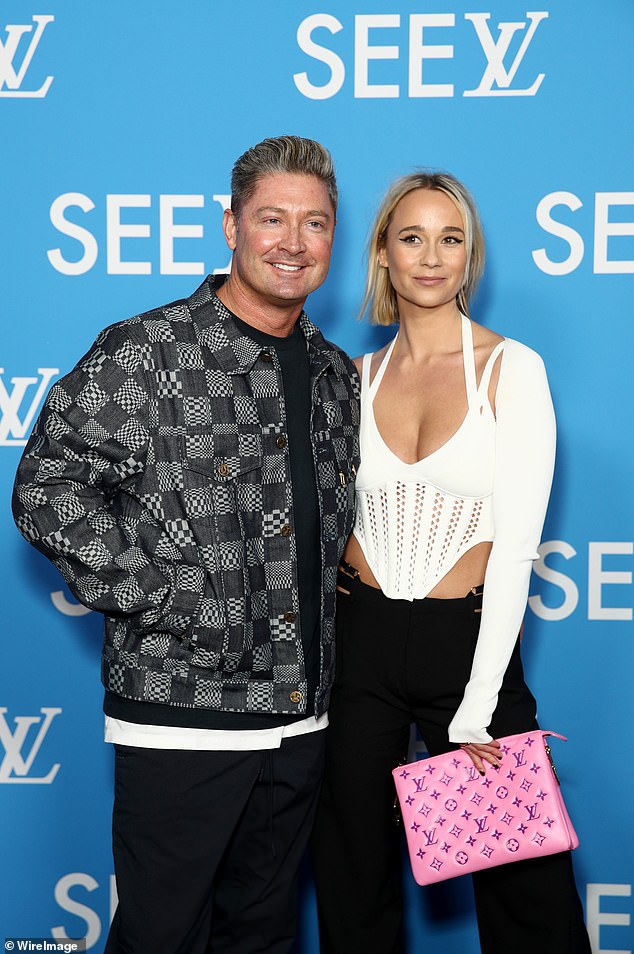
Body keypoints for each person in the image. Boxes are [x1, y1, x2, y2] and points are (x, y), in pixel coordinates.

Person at [12, 136, 360, 954]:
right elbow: (46, 491)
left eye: (314, 224)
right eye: (272, 218)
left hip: (299, 720)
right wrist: (175, 598)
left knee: (264, 934)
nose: (293, 242)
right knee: (163, 936)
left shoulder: (335, 372)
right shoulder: (147, 349)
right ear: (232, 225)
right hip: (180, 713)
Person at [311, 172, 591, 954]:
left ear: (469, 257)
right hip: (357, 640)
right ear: (383, 256)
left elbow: (516, 547)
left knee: (528, 892)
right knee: (350, 872)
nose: (430, 257)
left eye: (450, 238)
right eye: (411, 237)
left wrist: (479, 700)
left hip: (469, 644)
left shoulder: (514, 369)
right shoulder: (351, 378)